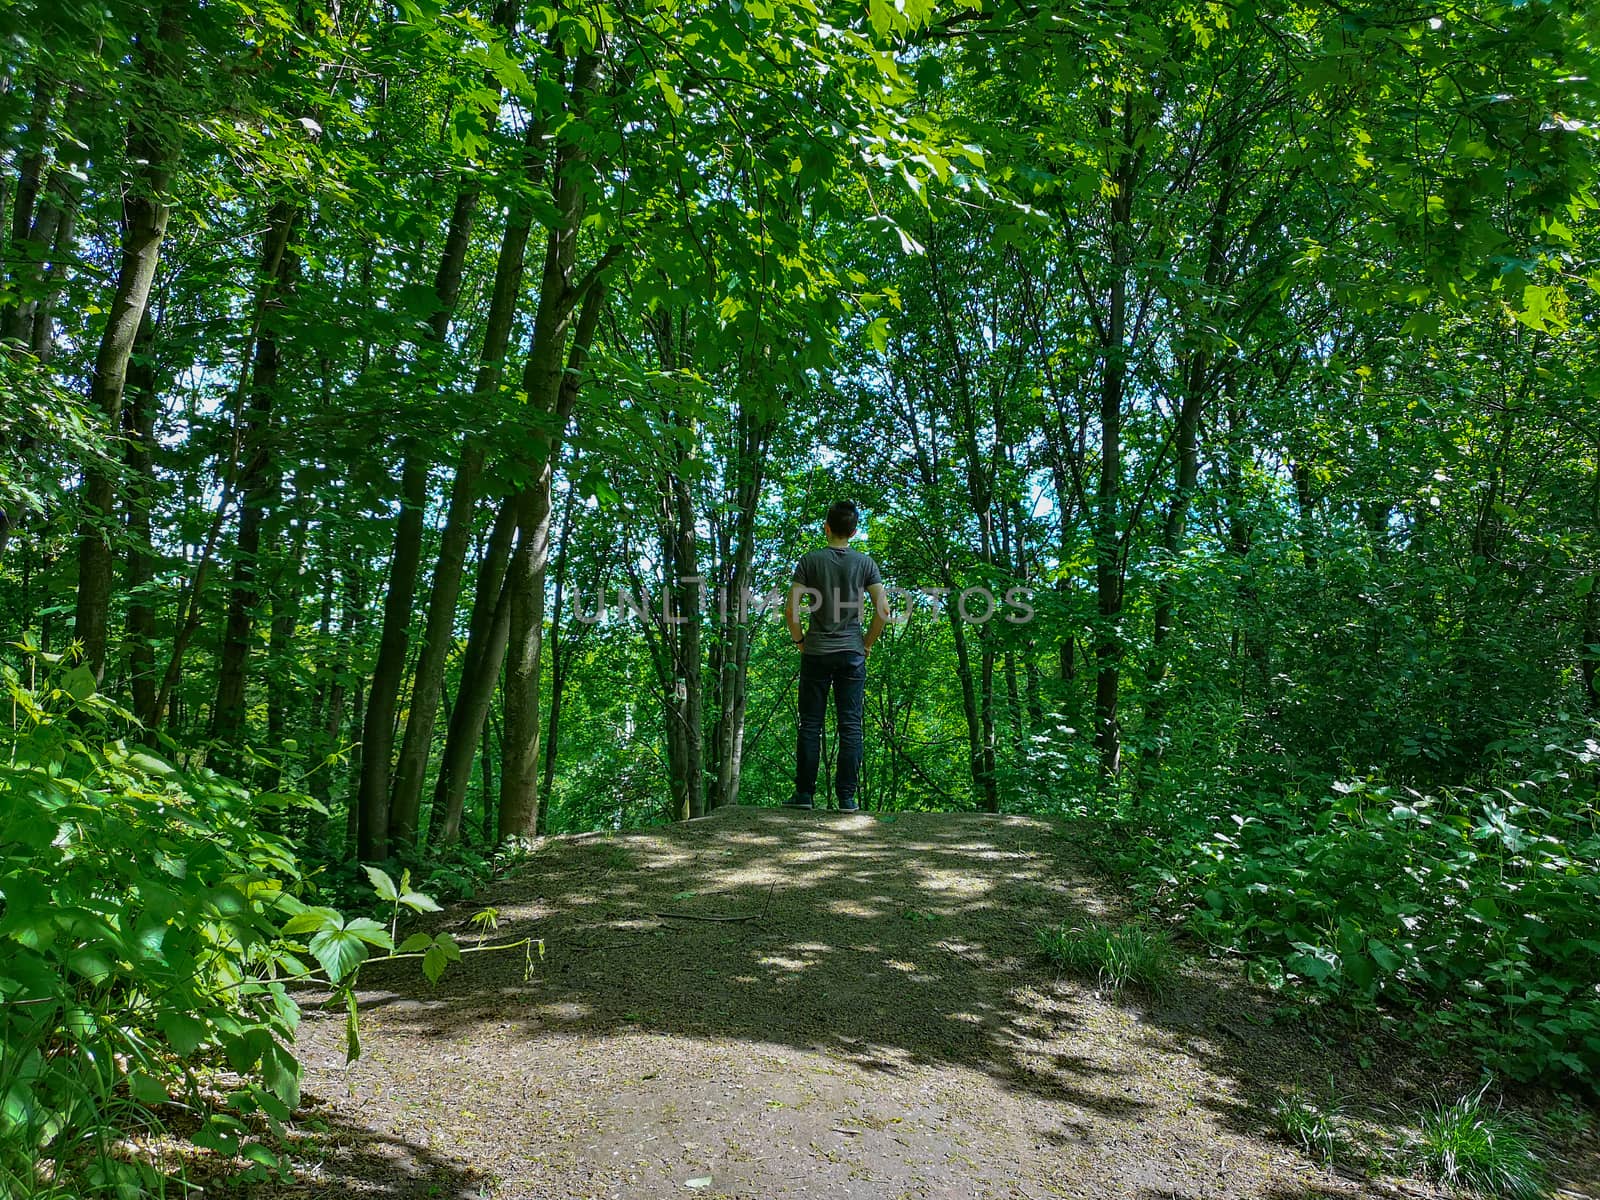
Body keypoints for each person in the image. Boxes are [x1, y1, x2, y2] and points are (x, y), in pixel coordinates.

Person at [783, 500, 888, 811]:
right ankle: (847, 798)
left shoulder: (809, 561)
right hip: (851, 654)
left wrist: (800, 640)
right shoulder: (866, 564)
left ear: (826, 527)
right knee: (851, 725)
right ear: (853, 531)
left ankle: (804, 795)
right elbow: (883, 610)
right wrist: (866, 643)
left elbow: (791, 610)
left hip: (815, 652)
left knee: (810, 724)